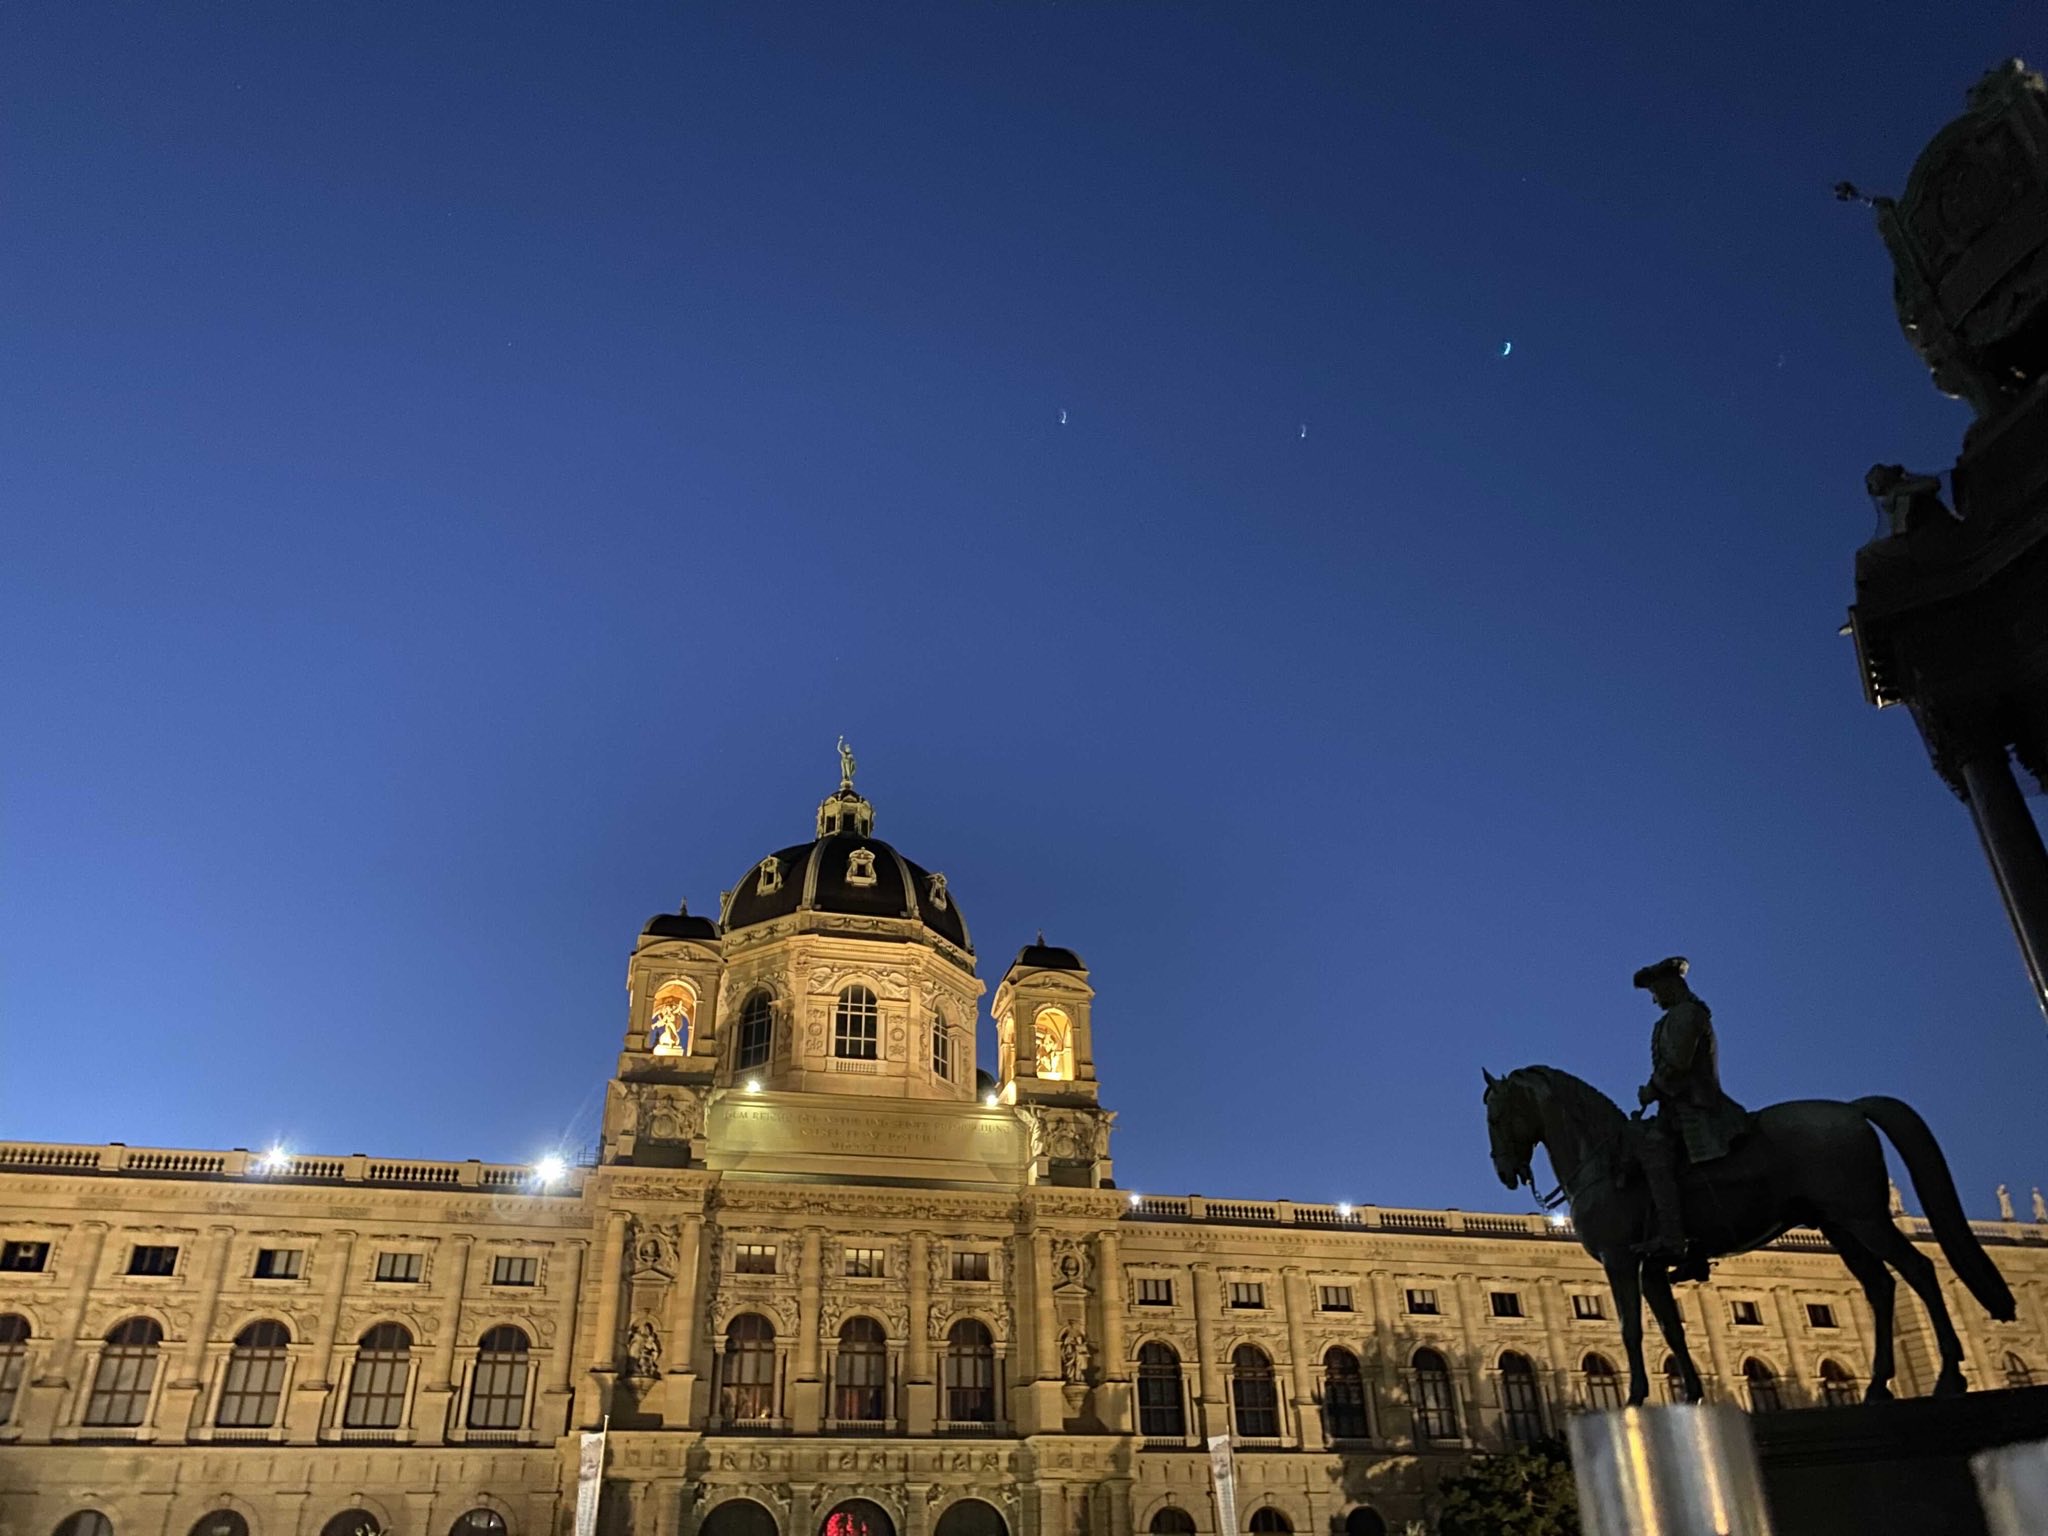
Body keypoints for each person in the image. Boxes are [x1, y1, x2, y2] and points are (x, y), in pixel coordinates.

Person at [1632, 957, 1750, 1268]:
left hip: (1697, 1108)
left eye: (1656, 991)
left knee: (1655, 1157)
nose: (1655, 999)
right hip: (1676, 1109)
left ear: (1671, 987)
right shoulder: (1673, 1018)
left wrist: (1651, 1090)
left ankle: (1673, 1238)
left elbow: (1678, 1065)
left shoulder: (1688, 1015)